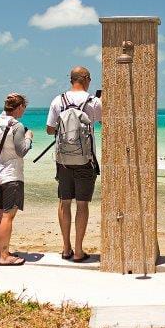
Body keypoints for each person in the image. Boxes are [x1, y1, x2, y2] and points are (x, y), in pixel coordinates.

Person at [46, 66, 102, 262]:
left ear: (71, 79)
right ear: (86, 78)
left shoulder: (57, 100)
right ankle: (79, 250)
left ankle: (65, 248)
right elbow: (107, 122)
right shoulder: (94, 102)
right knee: (82, 204)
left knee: (64, 202)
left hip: (63, 161)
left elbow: (49, 130)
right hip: (85, 159)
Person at [0, 93, 34, 266]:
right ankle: (5, 255)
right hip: (12, 174)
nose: (24, 112)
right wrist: (29, 137)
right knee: (8, 215)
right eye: (24, 108)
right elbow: (21, 151)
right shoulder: (17, 125)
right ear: (20, 107)